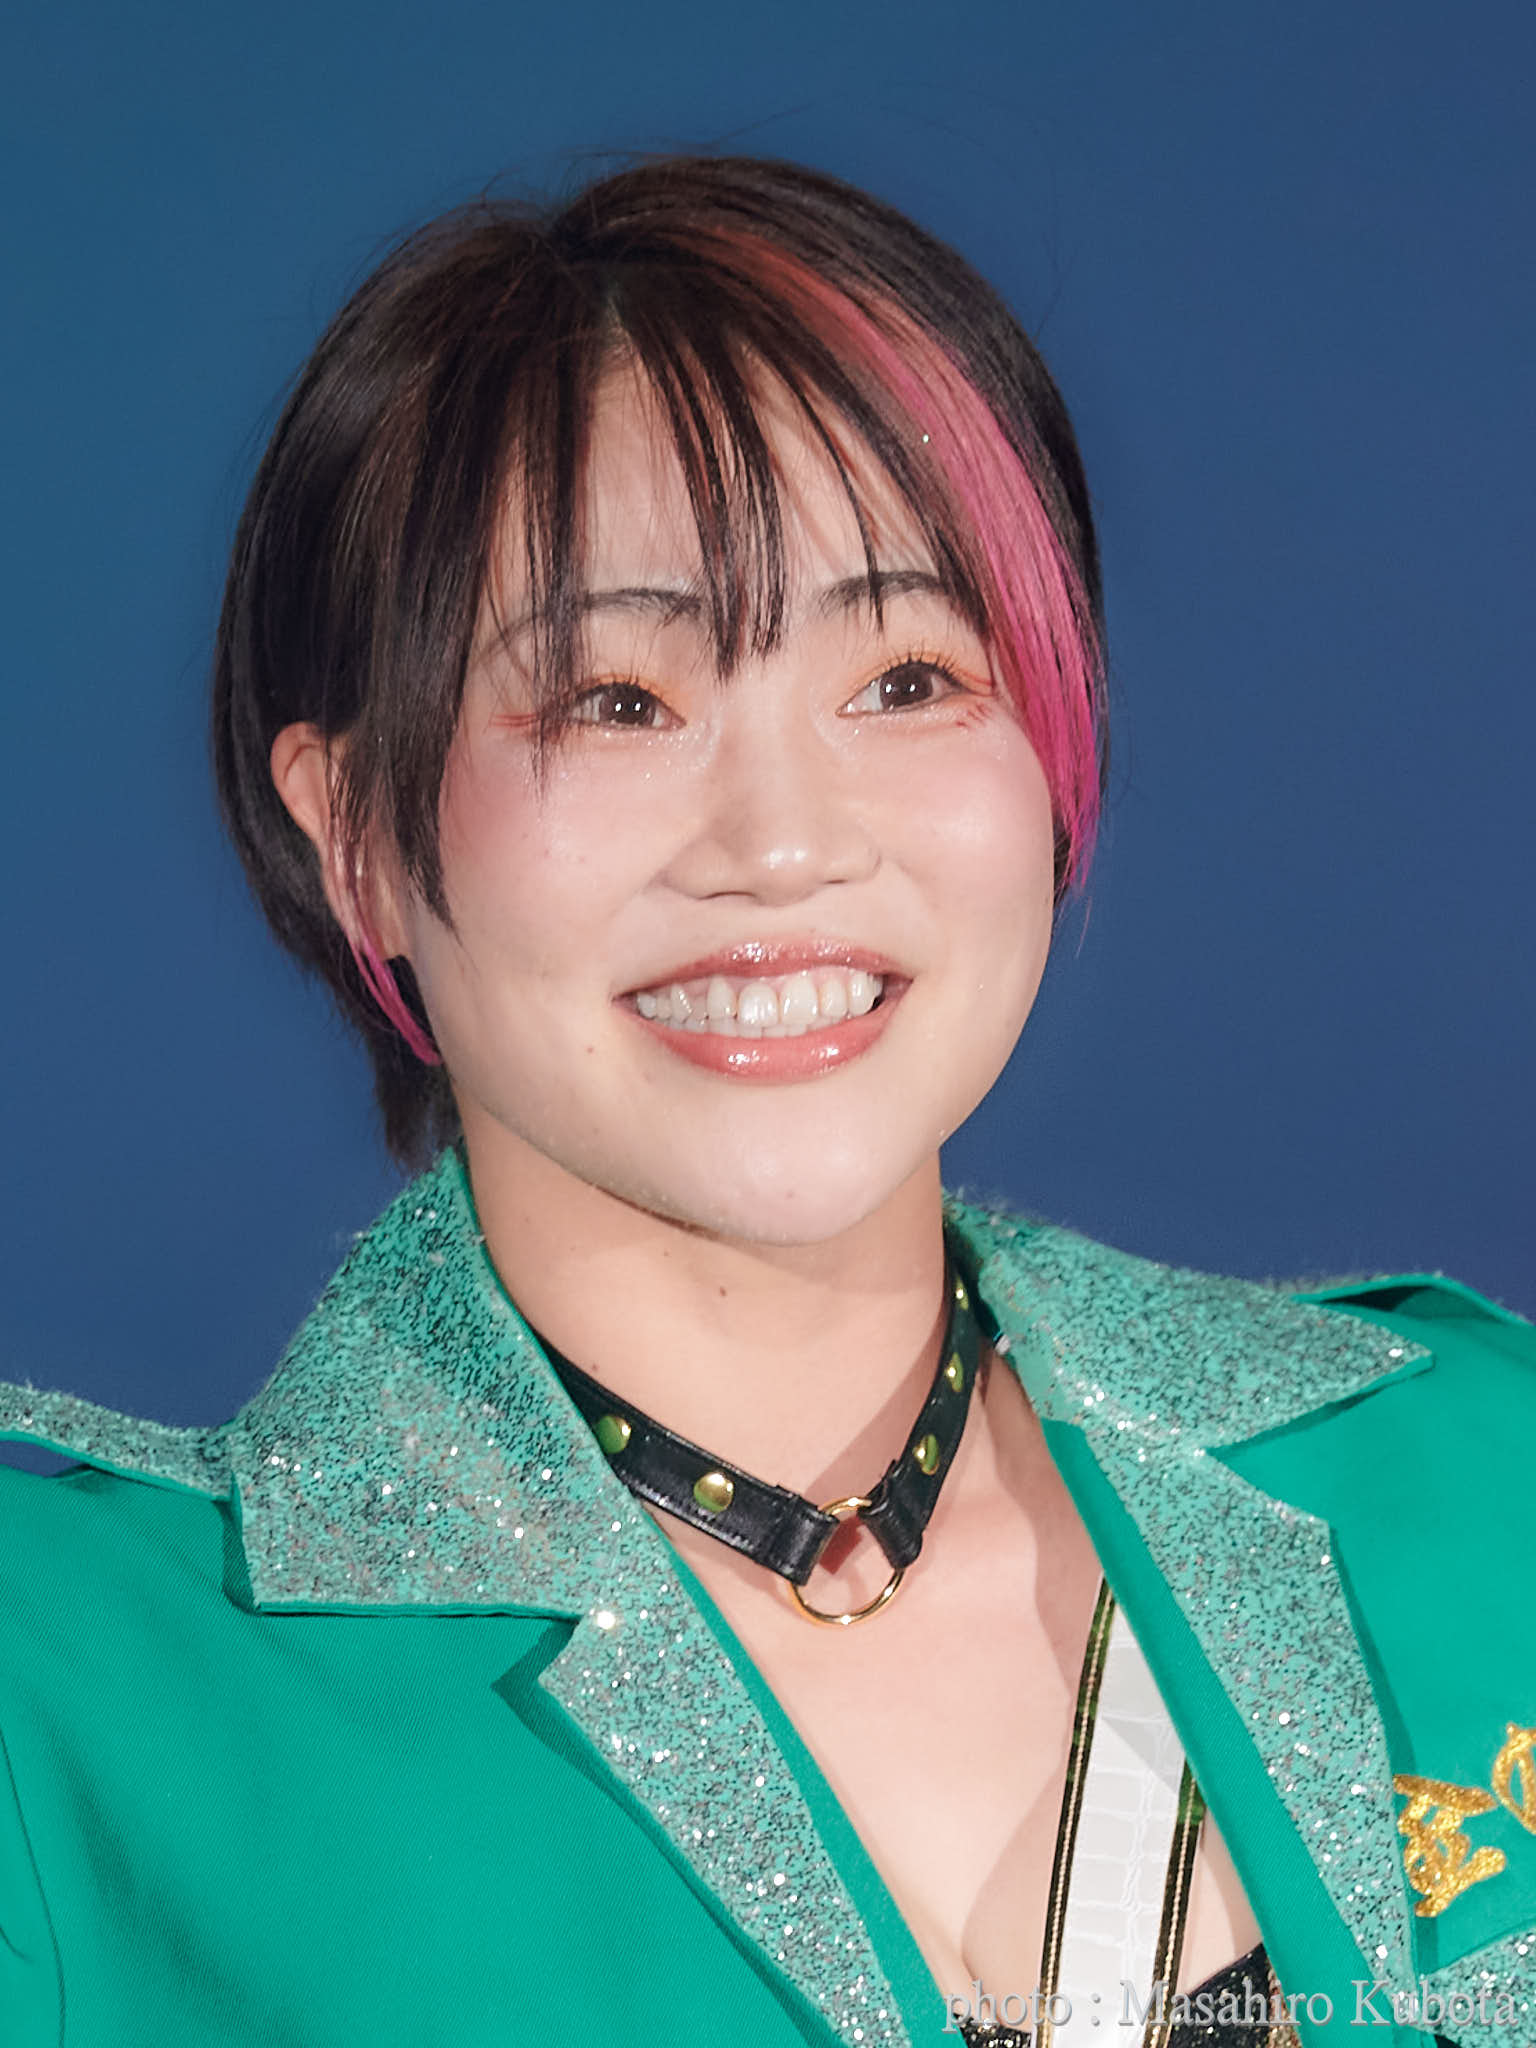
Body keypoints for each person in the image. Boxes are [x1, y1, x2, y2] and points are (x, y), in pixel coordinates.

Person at [1, 155, 1532, 2048]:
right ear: (359, 840)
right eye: (615, 702)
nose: (787, 843)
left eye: (906, 676)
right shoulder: (63, 1715)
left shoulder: (1480, 1470)